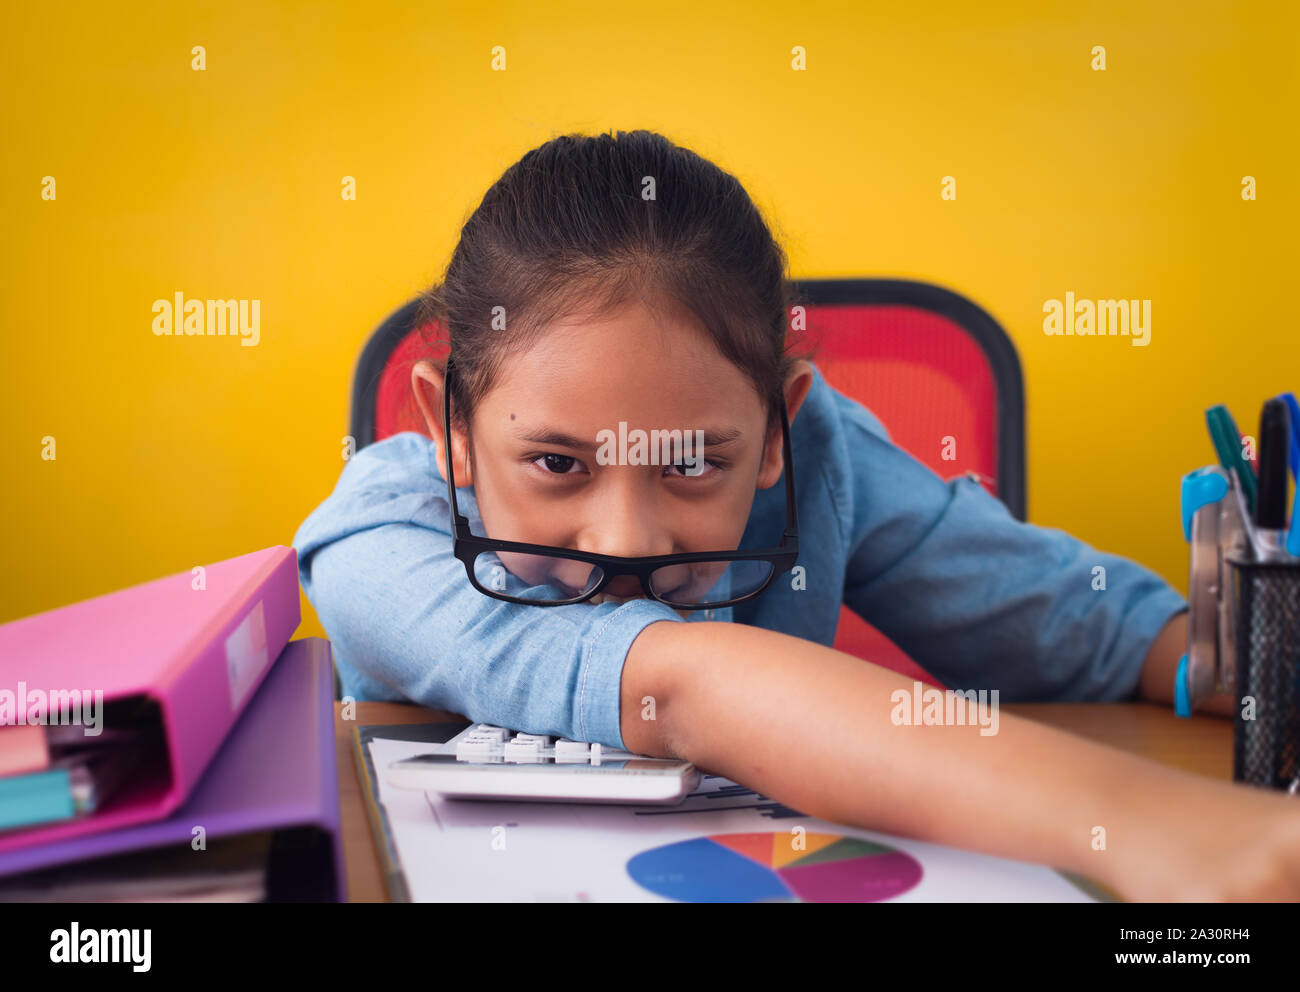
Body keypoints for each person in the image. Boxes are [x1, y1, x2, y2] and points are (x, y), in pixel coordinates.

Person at [294, 129, 1300, 901]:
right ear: (451, 426)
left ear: (779, 429)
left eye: (695, 463)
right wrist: (1164, 830)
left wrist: (1246, 665)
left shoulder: (821, 459)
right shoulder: (373, 543)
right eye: (558, 464)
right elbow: (677, 686)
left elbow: (1089, 628)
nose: (629, 540)